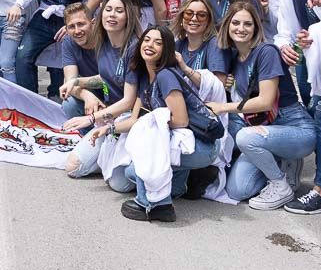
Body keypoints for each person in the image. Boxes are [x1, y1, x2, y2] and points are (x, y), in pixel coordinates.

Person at [84, 25, 222, 222]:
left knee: (141, 159)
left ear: (166, 50)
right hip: (184, 143)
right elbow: (134, 120)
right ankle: (180, 186)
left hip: (202, 145)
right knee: (137, 163)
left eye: (158, 42)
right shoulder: (146, 77)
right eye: (147, 40)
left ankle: (154, 205)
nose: (150, 45)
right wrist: (108, 128)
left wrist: (153, 125)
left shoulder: (166, 75)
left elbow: (181, 120)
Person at [207, 2, 315, 209]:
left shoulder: (267, 52)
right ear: (227, 26)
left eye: (248, 24)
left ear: (256, 27)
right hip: (267, 129)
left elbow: (265, 101)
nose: (241, 28)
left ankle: (280, 183)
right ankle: (282, 159)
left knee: (244, 136)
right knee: (238, 190)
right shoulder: (236, 58)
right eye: (236, 22)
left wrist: (222, 107)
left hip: (296, 128)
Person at [61, 0, 142, 190]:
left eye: (119, 11)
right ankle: (105, 155)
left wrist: (91, 119)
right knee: (73, 167)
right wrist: (78, 82)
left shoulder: (134, 48)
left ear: (128, 17)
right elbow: (107, 77)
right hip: (109, 118)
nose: (112, 15)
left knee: (119, 184)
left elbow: (128, 101)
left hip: (130, 119)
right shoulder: (105, 43)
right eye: (108, 9)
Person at [55, 3, 102, 118]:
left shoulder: (107, 38)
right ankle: (86, 135)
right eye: (71, 27)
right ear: (66, 29)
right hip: (92, 90)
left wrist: (75, 82)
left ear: (93, 23)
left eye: (81, 24)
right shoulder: (68, 42)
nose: (77, 31)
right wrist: (87, 95)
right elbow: (69, 82)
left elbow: (110, 78)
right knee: (69, 105)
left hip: (114, 90)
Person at [169, 0, 228, 77]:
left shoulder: (215, 45)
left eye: (202, 15)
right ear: (181, 17)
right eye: (189, 14)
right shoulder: (179, 44)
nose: (194, 18)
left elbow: (218, 84)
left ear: (209, 20)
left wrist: (185, 69)